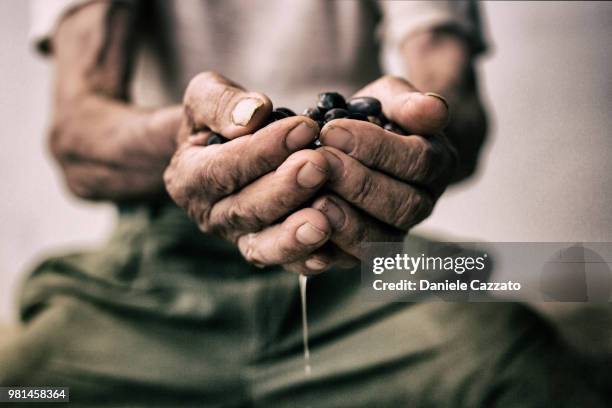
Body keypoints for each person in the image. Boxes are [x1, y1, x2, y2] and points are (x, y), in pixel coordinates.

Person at [0, 0, 607, 406]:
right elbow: (76, 135)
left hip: (366, 251)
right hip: (156, 267)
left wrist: (421, 124)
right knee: (24, 387)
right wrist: (192, 143)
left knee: (535, 370)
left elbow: (456, 102)